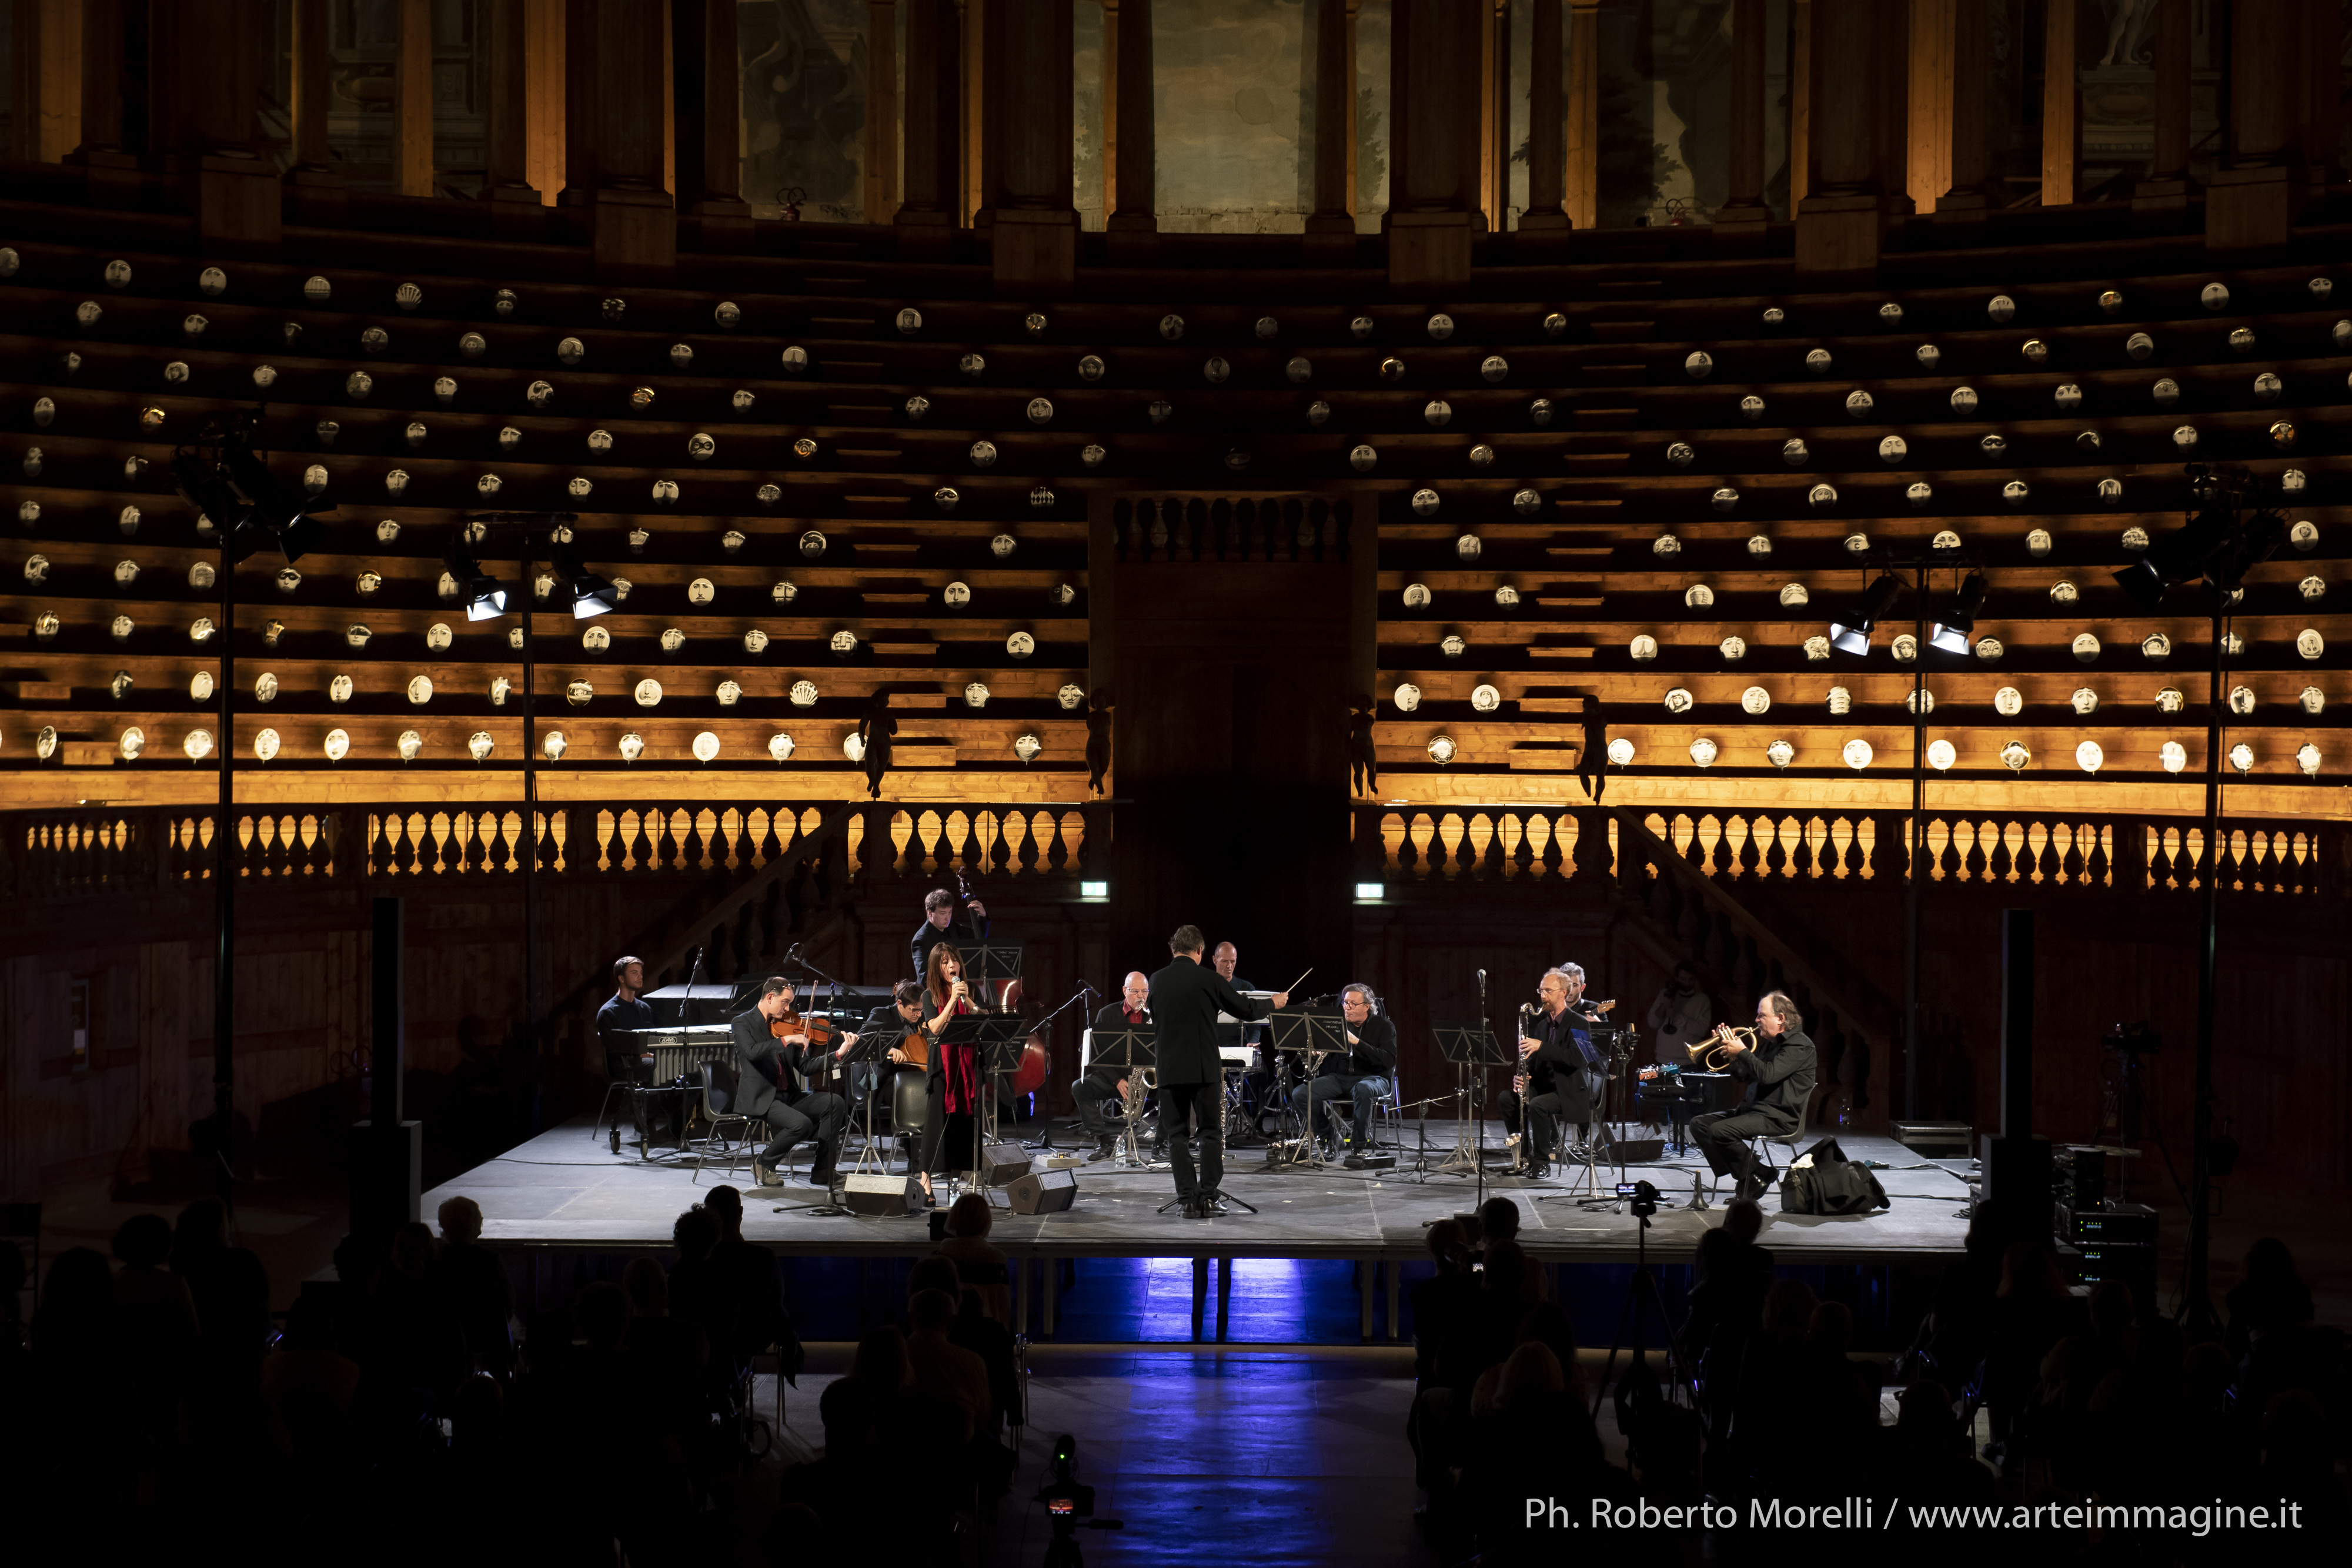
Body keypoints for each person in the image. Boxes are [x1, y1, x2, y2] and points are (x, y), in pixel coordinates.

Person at [1148, 924, 1287, 1218]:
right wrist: (1273, 1002)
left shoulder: (1157, 980)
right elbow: (1245, 1009)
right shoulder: (1208, 979)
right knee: (1211, 1133)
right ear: (1200, 951)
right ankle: (1209, 1198)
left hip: (1170, 1070)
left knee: (1177, 1135)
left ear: (1173, 950)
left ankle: (1187, 1200)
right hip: (1204, 1070)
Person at [1688, 992, 1818, 1202]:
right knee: (1699, 1124)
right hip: (1754, 1111)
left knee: (1719, 1131)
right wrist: (1731, 1055)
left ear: (1781, 1018)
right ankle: (1753, 1173)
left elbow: (1769, 1075)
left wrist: (1743, 1052)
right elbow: (1745, 1076)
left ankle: (1752, 1175)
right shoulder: (1770, 1043)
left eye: (1761, 1016)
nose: (1756, 1021)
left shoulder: (1799, 1045)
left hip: (1778, 1117)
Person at [733, 975, 853, 1188]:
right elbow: (752, 1052)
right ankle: (764, 1163)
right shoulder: (743, 1022)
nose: (788, 1009)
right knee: (801, 1124)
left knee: (835, 1103)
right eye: (785, 1003)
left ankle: (823, 1171)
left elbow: (805, 1067)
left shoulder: (787, 1026)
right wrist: (786, 1040)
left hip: (790, 1095)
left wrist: (838, 1054)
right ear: (770, 997)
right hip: (763, 1098)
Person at [1505, 967, 1608, 1176]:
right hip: (1547, 1087)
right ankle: (1524, 1157)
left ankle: (1542, 1163)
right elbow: (1538, 1063)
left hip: (1570, 1089)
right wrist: (1523, 1077)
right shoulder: (1543, 1025)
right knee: (1507, 1099)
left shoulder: (1579, 1023)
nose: (1543, 996)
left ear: (1563, 993)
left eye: (1548, 991)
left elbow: (1577, 1059)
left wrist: (1542, 1047)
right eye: (1541, 991)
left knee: (1537, 1105)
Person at [1290, 982, 1397, 1165]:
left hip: (1374, 1078)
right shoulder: (1338, 1024)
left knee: (1363, 1089)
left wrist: (1357, 1043)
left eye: (1352, 1004)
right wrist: (1316, 1052)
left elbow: (1388, 1060)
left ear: (1367, 1006)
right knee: (1301, 1093)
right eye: (1345, 1003)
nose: (1346, 1008)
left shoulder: (1384, 1026)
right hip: (1340, 1078)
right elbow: (1329, 1058)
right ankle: (1330, 1137)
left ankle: (1358, 1147)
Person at [914, 941, 988, 1204]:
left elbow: (983, 1017)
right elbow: (934, 1028)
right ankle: (926, 1181)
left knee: (964, 1126)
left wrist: (966, 998)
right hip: (942, 1068)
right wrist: (952, 1002)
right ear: (937, 966)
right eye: (945, 962)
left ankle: (956, 1182)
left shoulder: (972, 991)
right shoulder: (929, 995)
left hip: (968, 1066)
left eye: (954, 960)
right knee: (936, 1125)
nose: (951, 965)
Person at [430, 1195, 514, 1376]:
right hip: (488, 1346)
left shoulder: (435, 1263)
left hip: (444, 1348)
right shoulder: (489, 1261)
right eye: (479, 1218)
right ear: (471, 1222)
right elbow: (506, 1304)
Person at [596, 955, 674, 1148]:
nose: (640, 977)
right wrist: (643, 1055)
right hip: (623, 1065)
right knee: (661, 1068)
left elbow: (653, 1041)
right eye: (634, 973)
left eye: (640, 973)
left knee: (686, 1071)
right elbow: (614, 1049)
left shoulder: (644, 1009)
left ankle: (676, 1127)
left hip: (647, 1061)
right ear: (621, 978)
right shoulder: (608, 1012)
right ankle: (646, 1124)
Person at [1074, 971, 1152, 1159]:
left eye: (1145, 991)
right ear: (1125, 991)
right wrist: (1117, 1080)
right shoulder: (1107, 1014)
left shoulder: (1155, 1015)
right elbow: (1098, 1055)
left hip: (1147, 1080)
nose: (1141, 996)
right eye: (1135, 991)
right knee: (1080, 1088)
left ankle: (1161, 1145)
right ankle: (1103, 1141)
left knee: (1175, 1089)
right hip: (1117, 1078)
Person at [1211, 940, 1275, 1129]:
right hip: (1213, 1046)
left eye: (1233, 961)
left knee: (1261, 1071)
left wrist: (1253, 1041)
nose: (1229, 966)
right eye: (1224, 961)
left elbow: (1255, 1023)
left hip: (1240, 1046)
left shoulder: (1246, 987)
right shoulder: (1208, 984)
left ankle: (1256, 1122)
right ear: (1214, 960)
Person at [935, 1193, 1012, 1325]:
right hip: (989, 1333)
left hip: (952, 1330)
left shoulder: (943, 1254)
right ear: (986, 1221)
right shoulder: (997, 1262)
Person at [1643, 961, 1711, 1072]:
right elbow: (1653, 1023)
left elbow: (1702, 1030)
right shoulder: (1666, 994)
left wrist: (1677, 1016)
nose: (1687, 983)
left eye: (1691, 980)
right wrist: (1664, 1006)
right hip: (1663, 1061)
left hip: (1688, 1063)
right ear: (1676, 978)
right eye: (1683, 979)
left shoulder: (1702, 1000)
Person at [912, 885, 987, 981]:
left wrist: (982, 916)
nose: (948, 918)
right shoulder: (921, 940)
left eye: (950, 912)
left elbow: (975, 937)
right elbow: (925, 977)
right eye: (943, 913)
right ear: (930, 913)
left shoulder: (952, 926)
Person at [858, 689, 896, 800]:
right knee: (870, 763)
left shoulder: (889, 714)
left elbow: (894, 731)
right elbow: (862, 726)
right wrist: (861, 739)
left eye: (886, 702)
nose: (884, 704)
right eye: (882, 701)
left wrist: (891, 722)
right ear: (876, 702)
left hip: (884, 742)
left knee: (881, 766)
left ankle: (876, 786)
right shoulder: (870, 712)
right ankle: (872, 781)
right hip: (873, 741)